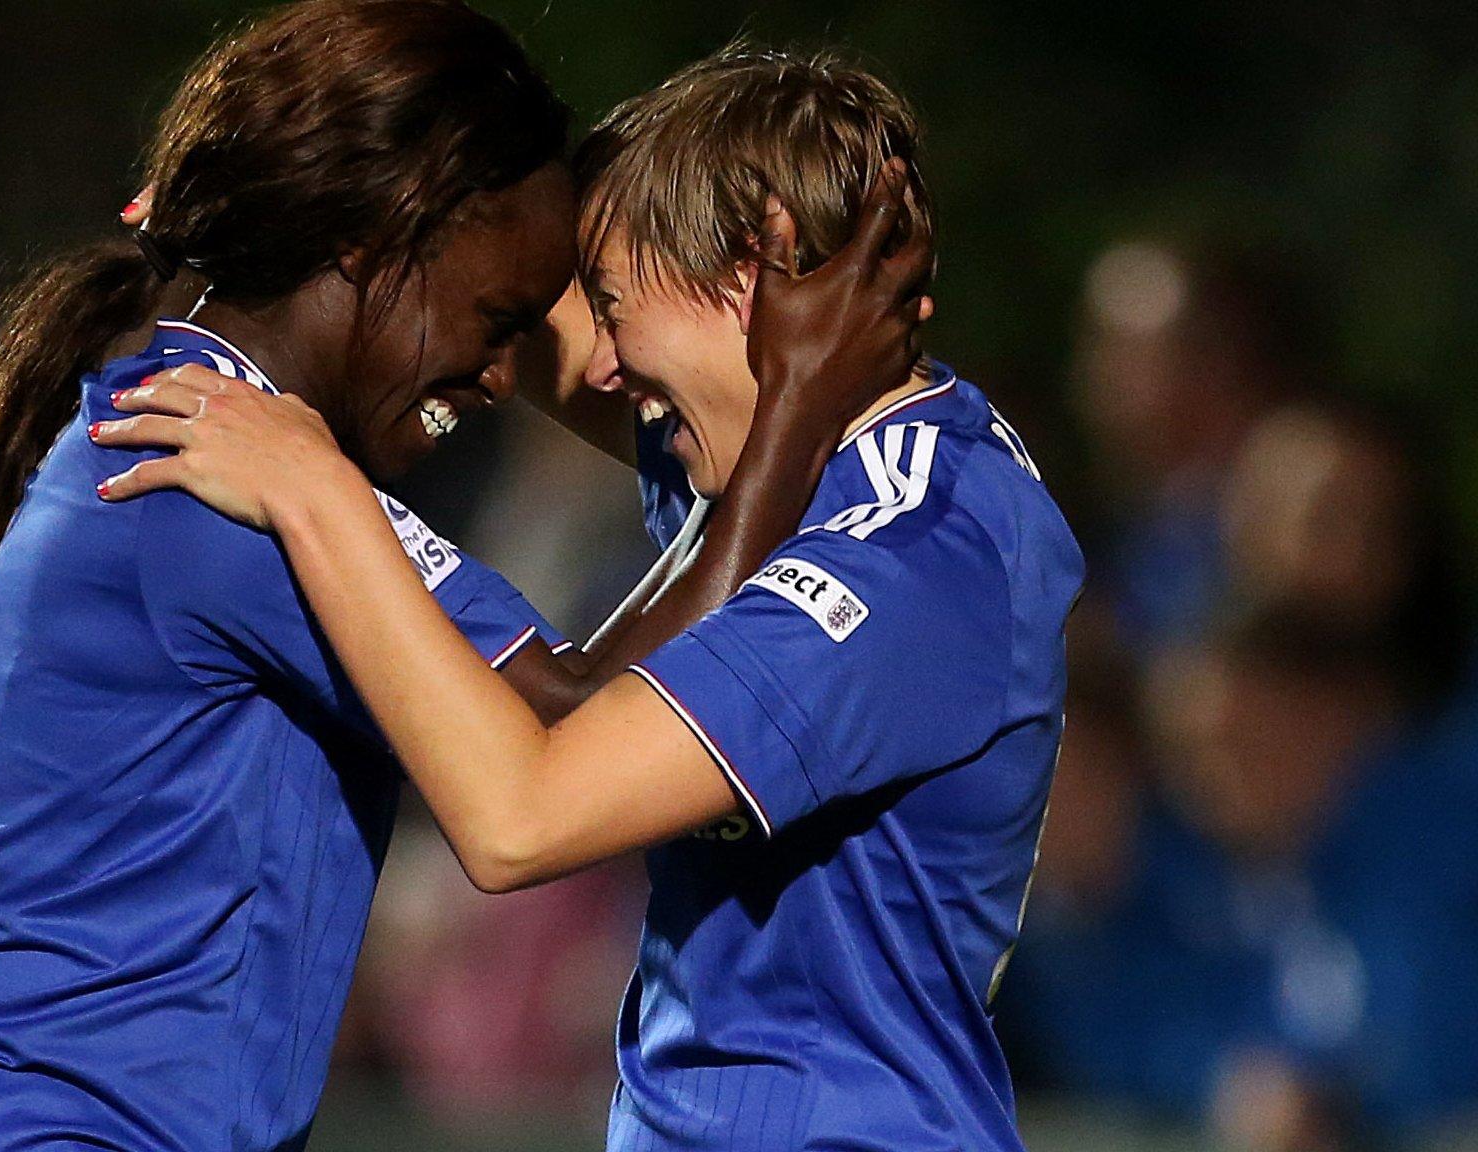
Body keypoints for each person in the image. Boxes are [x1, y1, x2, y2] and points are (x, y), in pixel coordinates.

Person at [0, 8, 930, 1151]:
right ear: (372, 240)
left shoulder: (204, 420)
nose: (503, 378)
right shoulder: (229, 479)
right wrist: (793, 410)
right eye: (497, 321)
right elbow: (581, 725)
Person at [93, 48, 1081, 1151]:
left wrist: (314, 488)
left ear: (760, 270)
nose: (601, 366)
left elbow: (520, 818)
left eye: (612, 303)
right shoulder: (778, 451)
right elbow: (491, 307)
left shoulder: (906, 551)